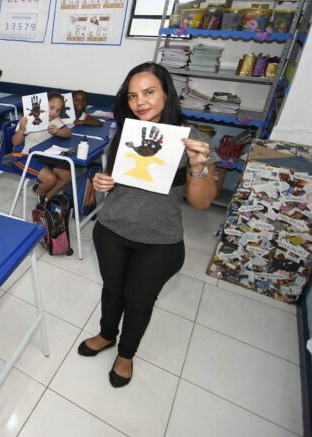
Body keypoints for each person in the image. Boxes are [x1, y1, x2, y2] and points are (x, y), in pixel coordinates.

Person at [79, 62, 216, 388]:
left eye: (149, 92)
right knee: (112, 289)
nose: (140, 101)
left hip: (159, 241)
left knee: (139, 301)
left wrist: (197, 166)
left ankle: (126, 354)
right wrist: (102, 182)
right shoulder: (125, 132)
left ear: (166, 93)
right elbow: (113, 179)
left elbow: (202, 203)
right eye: (132, 95)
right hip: (112, 230)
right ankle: (107, 334)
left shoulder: (190, 139)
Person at [11, 92, 72, 202]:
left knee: (67, 175)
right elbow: (15, 142)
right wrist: (21, 129)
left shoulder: (54, 119)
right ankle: (39, 193)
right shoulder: (28, 119)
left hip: (43, 156)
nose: (54, 112)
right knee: (50, 179)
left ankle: (46, 198)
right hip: (24, 156)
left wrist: (58, 132)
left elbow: (67, 132)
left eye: (58, 110)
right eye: (51, 107)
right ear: (43, 104)